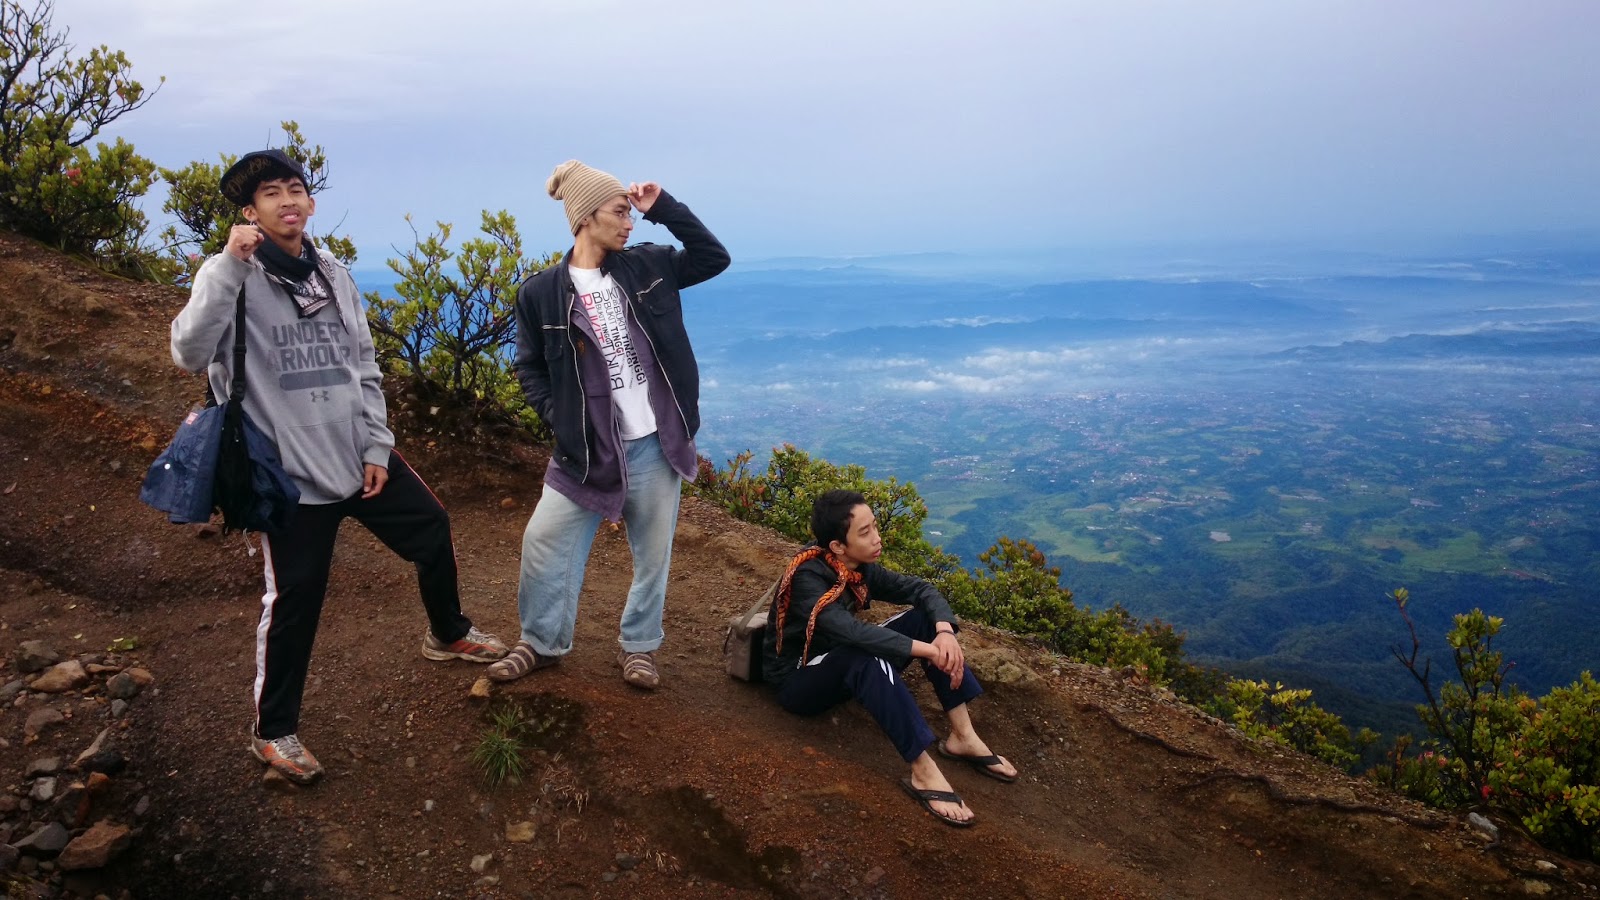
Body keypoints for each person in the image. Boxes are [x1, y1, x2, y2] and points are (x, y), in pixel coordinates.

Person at [169, 149, 508, 784]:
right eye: (272, 194)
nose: (288, 201)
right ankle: (273, 733)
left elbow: (364, 364)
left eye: (295, 189)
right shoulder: (231, 277)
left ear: (310, 201)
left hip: (358, 458)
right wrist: (226, 267)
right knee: (295, 599)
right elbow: (188, 352)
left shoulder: (332, 272)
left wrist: (377, 446)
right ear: (251, 211)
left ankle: (448, 632)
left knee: (431, 529)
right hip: (288, 475)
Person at [489, 161, 729, 689]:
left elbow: (714, 257)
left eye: (630, 212)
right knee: (544, 540)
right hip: (585, 449)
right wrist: (558, 419)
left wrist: (663, 207)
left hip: (656, 442)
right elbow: (529, 366)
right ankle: (541, 642)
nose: (629, 222)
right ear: (584, 217)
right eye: (620, 212)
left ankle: (640, 648)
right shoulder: (542, 292)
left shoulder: (649, 266)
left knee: (652, 555)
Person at [762, 489, 1018, 827]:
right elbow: (851, 633)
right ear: (838, 545)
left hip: (837, 662)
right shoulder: (808, 579)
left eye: (875, 527)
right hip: (798, 681)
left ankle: (963, 737)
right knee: (865, 654)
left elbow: (921, 590)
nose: (877, 538)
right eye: (864, 533)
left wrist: (942, 632)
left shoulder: (856, 567)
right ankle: (923, 773)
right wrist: (931, 651)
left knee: (924, 619)